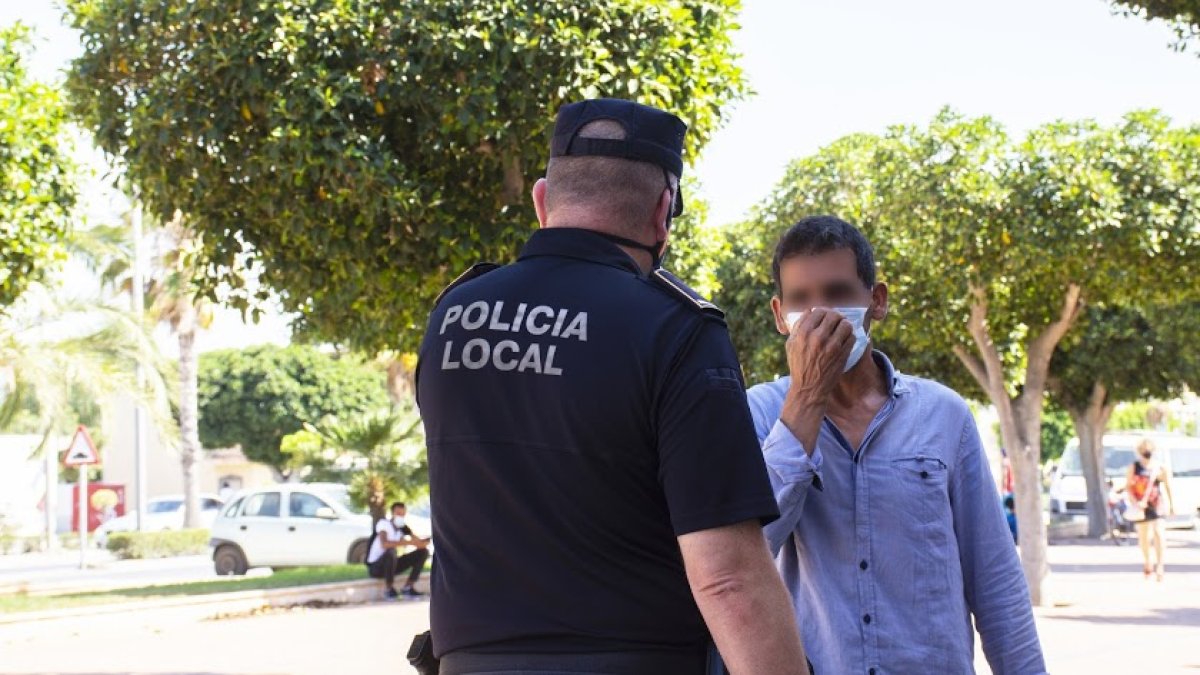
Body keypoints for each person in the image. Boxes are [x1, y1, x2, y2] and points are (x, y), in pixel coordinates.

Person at [416, 99, 808, 674]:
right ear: (663, 211)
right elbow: (728, 578)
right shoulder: (677, 328)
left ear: (543, 200)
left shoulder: (453, 314)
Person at [745, 215, 1046, 674]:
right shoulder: (760, 414)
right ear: (779, 316)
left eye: (838, 293)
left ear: (877, 301)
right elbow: (750, 551)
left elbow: (996, 581)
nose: (821, 315)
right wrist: (806, 399)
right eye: (801, 300)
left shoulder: (943, 415)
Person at [1126, 438, 1175, 580]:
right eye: (1143, 450)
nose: (1146, 452)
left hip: (1156, 504)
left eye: (1148, 450)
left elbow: (1168, 485)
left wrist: (1172, 504)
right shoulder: (1134, 467)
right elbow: (1128, 486)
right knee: (1144, 537)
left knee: (1159, 533)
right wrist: (1135, 502)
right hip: (1141, 506)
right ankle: (1148, 562)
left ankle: (1160, 565)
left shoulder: (1160, 468)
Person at [366, 501, 430, 599]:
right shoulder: (384, 524)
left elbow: (417, 542)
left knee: (423, 552)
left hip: (391, 565)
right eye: (398, 513)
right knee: (391, 551)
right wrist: (409, 542)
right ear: (392, 513)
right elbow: (385, 544)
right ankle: (389, 589)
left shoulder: (401, 528)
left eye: (403, 514)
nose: (400, 516)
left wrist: (423, 542)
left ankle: (408, 587)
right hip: (376, 567)